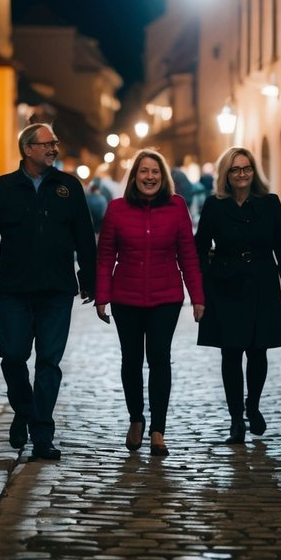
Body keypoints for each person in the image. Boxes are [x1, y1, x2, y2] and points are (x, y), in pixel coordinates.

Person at [0, 123, 97, 461]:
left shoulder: (68, 187)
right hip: (14, 288)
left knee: (49, 362)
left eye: (55, 143)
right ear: (28, 149)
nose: (54, 149)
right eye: (47, 144)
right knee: (11, 355)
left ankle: (42, 434)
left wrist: (90, 279)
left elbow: (84, 237)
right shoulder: (4, 187)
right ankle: (24, 409)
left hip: (57, 289)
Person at [94, 149, 204, 456]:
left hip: (165, 298)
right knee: (131, 360)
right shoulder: (116, 209)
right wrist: (102, 296)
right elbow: (105, 257)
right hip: (125, 298)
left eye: (155, 171)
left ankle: (158, 429)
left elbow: (188, 255)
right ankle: (136, 419)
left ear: (163, 176)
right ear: (135, 176)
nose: (150, 177)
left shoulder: (176, 207)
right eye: (144, 171)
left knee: (159, 359)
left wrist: (198, 298)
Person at [195, 146, 281, 443]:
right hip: (225, 286)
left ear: (254, 172)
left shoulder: (269, 203)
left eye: (246, 168)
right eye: (235, 169)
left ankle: (252, 406)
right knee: (230, 353)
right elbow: (199, 247)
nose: (241, 174)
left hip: (262, 284)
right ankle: (235, 420)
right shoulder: (214, 205)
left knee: (258, 351)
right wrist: (202, 286)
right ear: (226, 175)